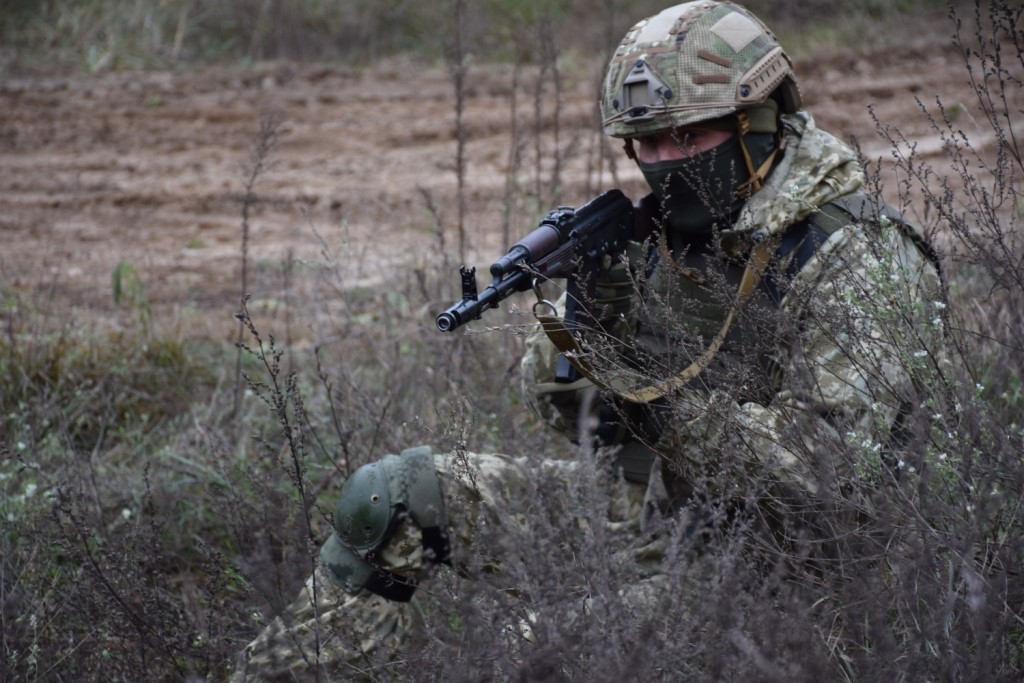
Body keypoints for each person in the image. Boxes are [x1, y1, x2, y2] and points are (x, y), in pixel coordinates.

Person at [235, 1, 946, 678]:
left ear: (759, 120)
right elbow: (570, 418)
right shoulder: (662, 237)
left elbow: (827, 475)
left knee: (532, 650)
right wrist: (585, 323)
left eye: (691, 136)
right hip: (670, 515)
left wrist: (660, 412)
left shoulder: (855, 255)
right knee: (393, 495)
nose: (667, 160)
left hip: (808, 577)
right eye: (649, 144)